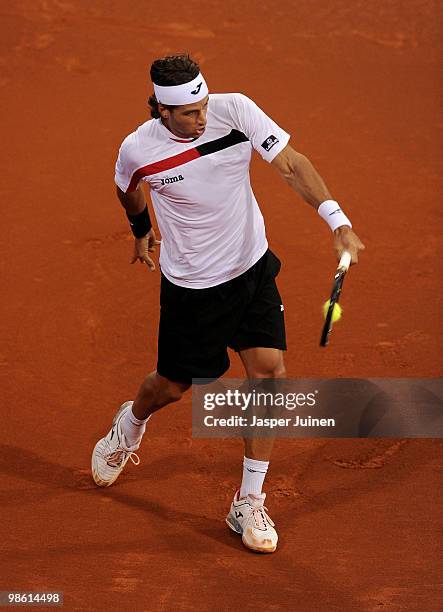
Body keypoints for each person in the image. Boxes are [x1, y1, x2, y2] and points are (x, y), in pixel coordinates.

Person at [91, 54, 365, 554]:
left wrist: (337, 219)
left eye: (203, 103)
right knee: (171, 386)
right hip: (193, 289)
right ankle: (130, 424)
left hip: (252, 269)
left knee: (268, 373)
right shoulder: (138, 150)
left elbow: (290, 164)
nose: (203, 115)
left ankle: (249, 500)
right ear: (163, 113)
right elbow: (127, 191)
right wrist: (141, 229)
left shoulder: (234, 110)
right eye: (191, 112)